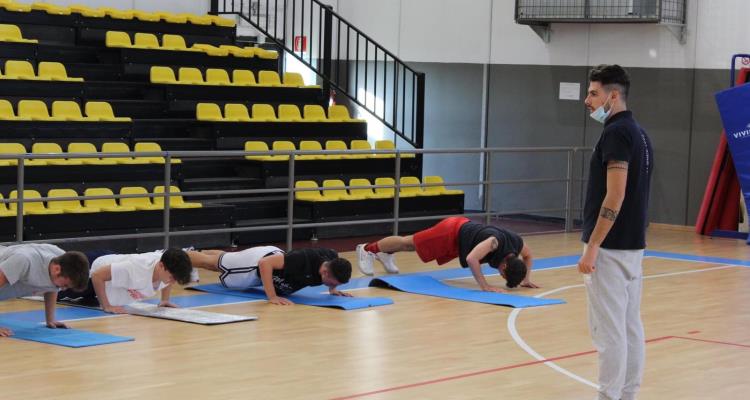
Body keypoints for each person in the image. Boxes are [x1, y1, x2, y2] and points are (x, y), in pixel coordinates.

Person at [579, 64, 653, 400]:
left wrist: (593, 244)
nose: (587, 100)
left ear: (613, 95)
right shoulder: (639, 133)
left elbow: (616, 193)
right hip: (632, 246)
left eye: (593, 93)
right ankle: (627, 394)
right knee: (628, 327)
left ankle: (610, 396)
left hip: (610, 248)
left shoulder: (617, 133)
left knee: (610, 333)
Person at [356, 216, 538, 292]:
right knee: (409, 243)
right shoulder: (494, 242)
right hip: (451, 231)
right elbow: (472, 259)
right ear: (505, 266)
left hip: (461, 238)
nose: (500, 274)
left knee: (410, 245)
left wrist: (526, 279)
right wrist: (485, 286)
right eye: (502, 274)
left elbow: (528, 256)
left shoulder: (516, 243)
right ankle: (367, 249)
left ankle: (386, 254)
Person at [188, 246, 352, 306]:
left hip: (272, 260)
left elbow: (334, 268)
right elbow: (265, 264)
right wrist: (271, 296)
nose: (332, 284)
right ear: (325, 272)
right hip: (259, 262)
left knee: (224, 260)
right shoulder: (301, 260)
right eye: (332, 282)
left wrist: (333, 289)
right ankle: (176, 257)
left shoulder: (331, 260)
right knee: (212, 264)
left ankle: (197, 251)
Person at [59, 248, 193, 314]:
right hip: (91, 270)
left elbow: (167, 280)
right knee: (53, 287)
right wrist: (106, 306)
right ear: (161, 266)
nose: (172, 282)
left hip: (113, 264)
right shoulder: (136, 268)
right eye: (172, 277)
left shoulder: (165, 267)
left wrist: (165, 300)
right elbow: (97, 276)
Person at [0, 244, 89, 337]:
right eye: (65, 285)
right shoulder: (24, 260)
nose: (63, 289)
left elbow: (51, 287)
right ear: (57, 269)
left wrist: (50, 319)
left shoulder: (61, 259)